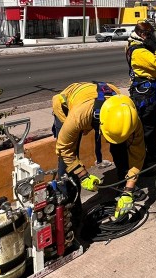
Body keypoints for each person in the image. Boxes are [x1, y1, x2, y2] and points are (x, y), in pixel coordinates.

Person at [51, 82, 145, 220]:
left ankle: (123, 184)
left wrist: (128, 190)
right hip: (67, 104)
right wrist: (83, 175)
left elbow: (138, 155)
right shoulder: (79, 116)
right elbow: (64, 148)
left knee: (120, 148)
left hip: (104, 98)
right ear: (102, 124)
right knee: (66, 166)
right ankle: (67, 208)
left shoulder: (131, 119)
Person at [125, 20, 156, 164]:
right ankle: (145, 159)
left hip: (147, 91)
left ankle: (153, 152)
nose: (152, 38)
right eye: (149, 35)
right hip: (144, 93)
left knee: (151, 123)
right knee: (146, 127)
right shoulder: (139, 51)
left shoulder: (137, 46)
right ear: (142, 34)